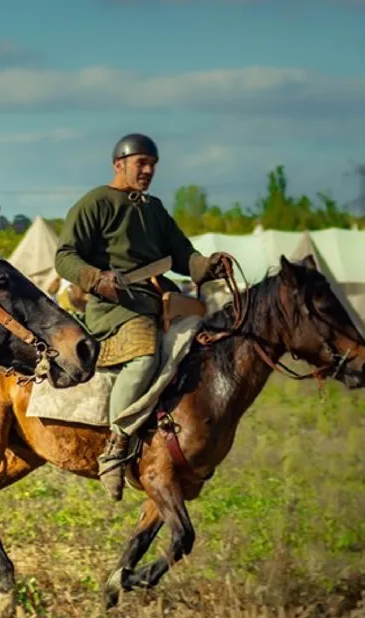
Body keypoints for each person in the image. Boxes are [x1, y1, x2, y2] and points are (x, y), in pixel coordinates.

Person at [54, 133, 232, 501]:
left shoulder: (154, 209)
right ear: (119, 165)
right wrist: (95, 279)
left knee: (205, 349)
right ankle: (117, 446)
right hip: (113, 309)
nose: (148, 171)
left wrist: (207, 265)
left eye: (152, 164)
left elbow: (184, 254)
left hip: (158, 303)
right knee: (145, 356)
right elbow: (65, 257)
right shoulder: (95, 203)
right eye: (141, 163)